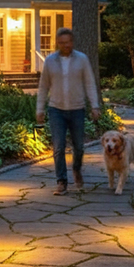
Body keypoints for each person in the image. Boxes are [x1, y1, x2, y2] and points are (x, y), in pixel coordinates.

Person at [36, 27, 100, 195]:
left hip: (77, 109)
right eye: (62, 43)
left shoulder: (82, 59)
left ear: (72, 42)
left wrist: (95, 106)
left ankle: (77, 170)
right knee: (58, 147)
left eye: (68, 42)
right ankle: (61, 181)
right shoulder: (50, 61)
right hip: (56, 109)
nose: (65, 45)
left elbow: (89, 83)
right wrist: (39, 109)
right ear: (58, 43)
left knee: (79, 146)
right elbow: (43, 87)